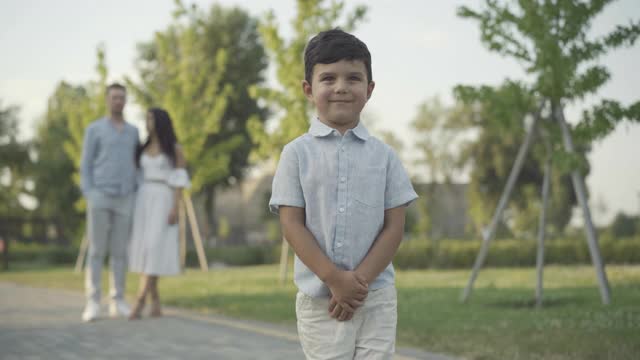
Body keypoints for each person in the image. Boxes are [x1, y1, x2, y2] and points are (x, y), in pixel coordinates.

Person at [269, 29, 418, 359]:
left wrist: (357, 283)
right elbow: (291, 225)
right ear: (309, 89)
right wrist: (335, 279)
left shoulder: (385, 157)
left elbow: (394, 227)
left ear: (369, 89)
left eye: (353, 78)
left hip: (375, 296)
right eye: (328, 78)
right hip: (320, 299)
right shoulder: (295, 154)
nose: (340, 87)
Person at [80, 83, 139, 322]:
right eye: (114, 97)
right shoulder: (94, 129)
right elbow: (85, 164)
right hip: (100, 196)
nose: (118, 101)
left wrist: (136, 191)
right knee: (96, 251)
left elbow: (137, 163)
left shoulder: (133, 131)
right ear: (107, 100)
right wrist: (90, 193)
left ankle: (118, 300)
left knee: (120, 252)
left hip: (125, 197)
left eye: (122, 98)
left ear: (125, 101)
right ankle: (93, 302)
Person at [128, 107, 189, 320]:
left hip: (164, 198)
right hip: (143, 199)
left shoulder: (174, 148)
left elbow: (180, 179)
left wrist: (175, 206)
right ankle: (156, 303)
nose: (147, 122)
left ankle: (140, 300)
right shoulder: (142, 147)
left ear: (160, 121)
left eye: (151, 119)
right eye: (146, 118)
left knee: (154, 247)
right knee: (145, 250)